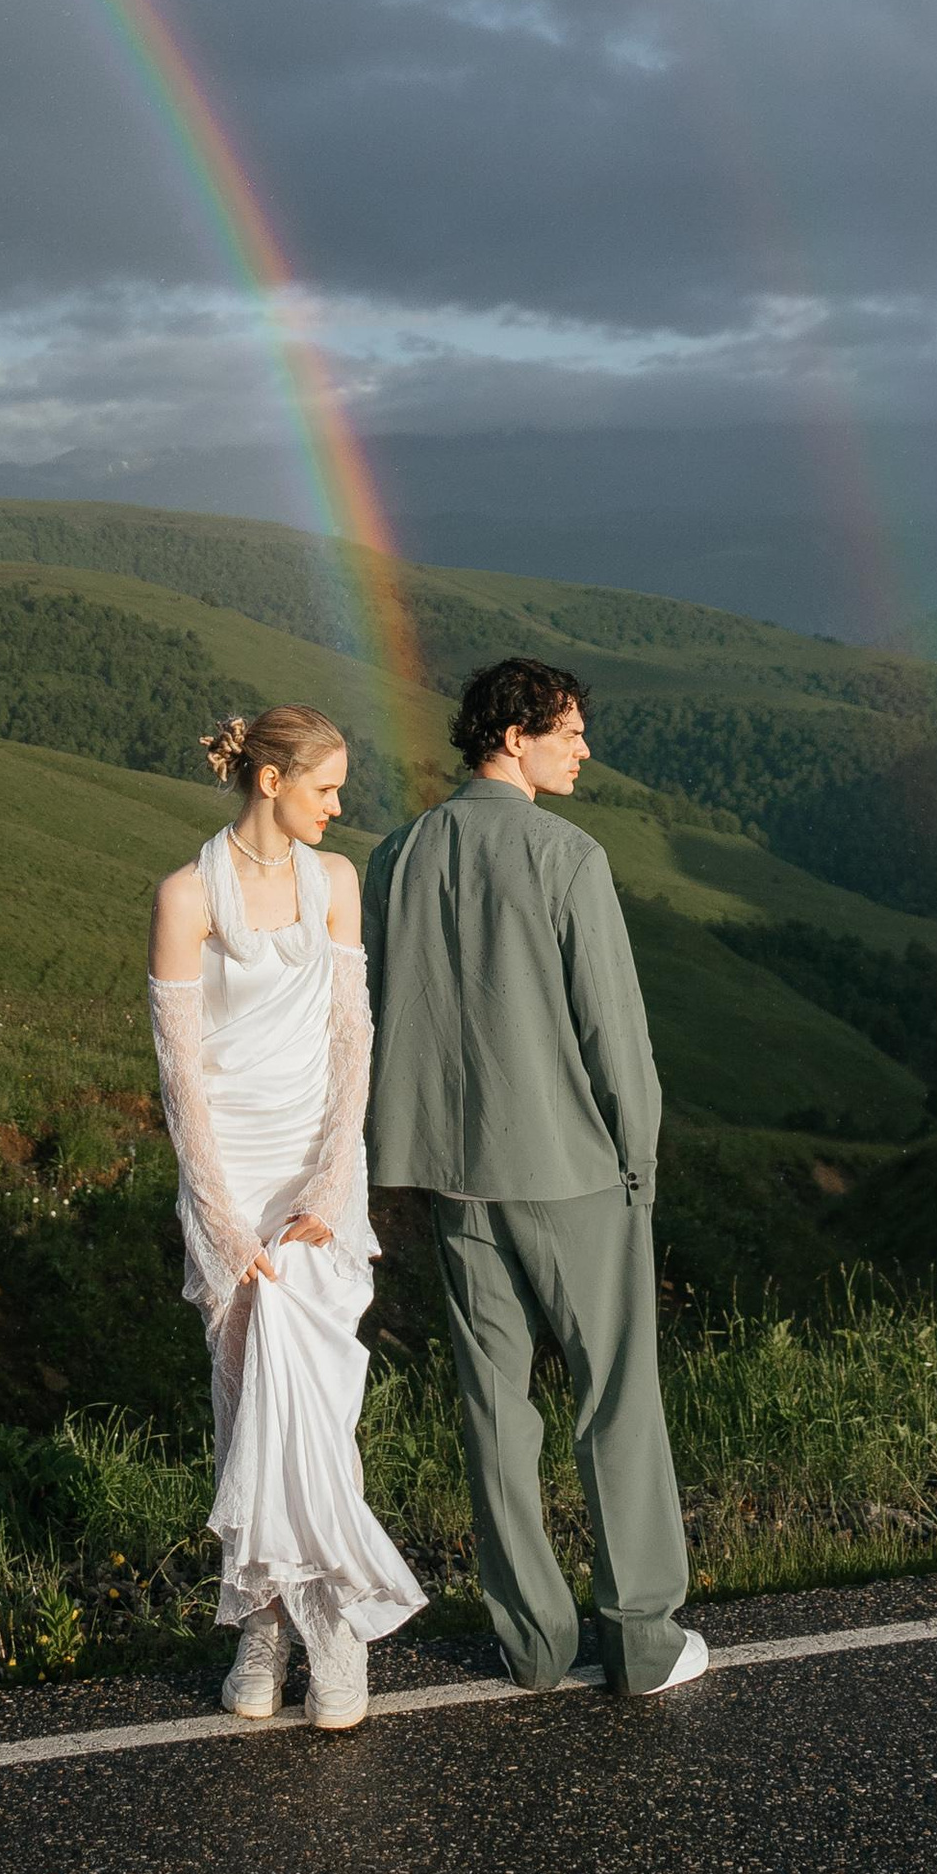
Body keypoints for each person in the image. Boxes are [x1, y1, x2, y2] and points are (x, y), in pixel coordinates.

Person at [363, 656, 708, 1700]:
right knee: (616, 1396)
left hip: (450, 1176)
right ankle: (642, 1638)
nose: (583, 747)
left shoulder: (394, 854)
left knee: (493, 1408)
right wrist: (637, 1159)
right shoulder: (569, 855)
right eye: (567, 730)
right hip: (570, 1169)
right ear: (512, 734)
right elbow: (615, 1032)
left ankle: (532, 1645)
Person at [147, 703, 423, 1732]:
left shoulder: (336, 883)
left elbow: (354, 1036)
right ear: (270, 781)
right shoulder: (186, 895)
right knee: (243, 1412)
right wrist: (221, 1219)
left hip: (316, 1174)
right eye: (325, 788)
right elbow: (181, 1076)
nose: (339, 807)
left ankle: (335, 1637)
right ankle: (261, 1633)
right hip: (228, 1177)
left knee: (316, 1403)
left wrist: (326, 1182)